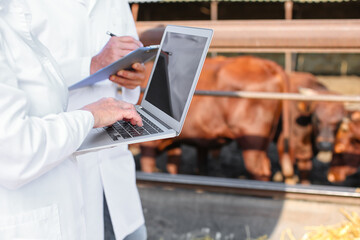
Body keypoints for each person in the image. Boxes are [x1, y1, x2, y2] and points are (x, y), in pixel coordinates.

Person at [0, 1, 142, 239]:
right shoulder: (17, 8)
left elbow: (128, 82)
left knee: (130, 231)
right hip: (59, 164)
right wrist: (92, 66)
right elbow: (15, 139)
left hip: (114, 159)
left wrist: (132, 79)